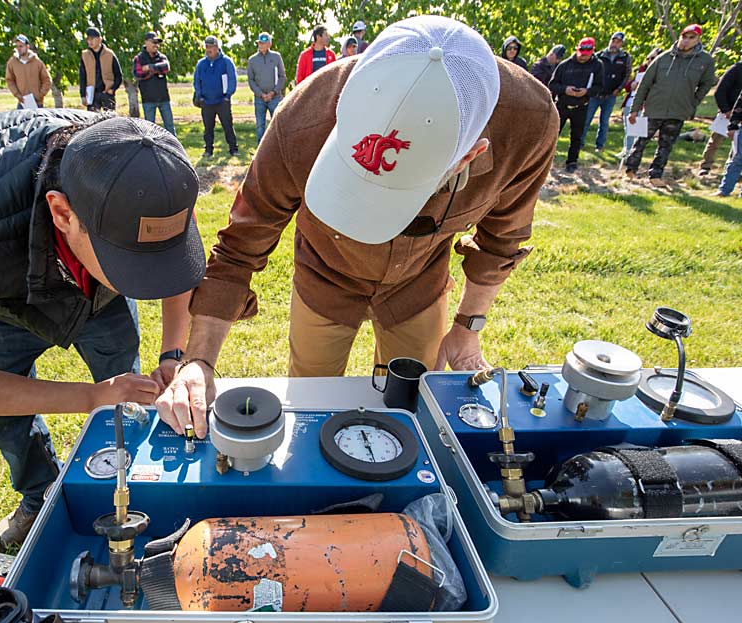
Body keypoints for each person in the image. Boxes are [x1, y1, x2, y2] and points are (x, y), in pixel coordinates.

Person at [154, 16, 557, 438]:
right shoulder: (303, 117)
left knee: (415, 410)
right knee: (310, 409)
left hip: (418, 284)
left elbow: (502, 240)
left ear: (469, 156)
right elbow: (239, 247)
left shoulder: (529, 122)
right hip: (324, 277)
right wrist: (197, 362)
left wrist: (467, 327)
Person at [0, 109, 205, 551]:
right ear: (62, 212)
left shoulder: (151, 172)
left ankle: (135, 484)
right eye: (132, 267)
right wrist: (90, 397)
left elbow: (174, 269)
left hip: (99, 300)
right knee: (6, 420)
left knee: (130, 399)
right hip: (8, 303)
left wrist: (172, 357)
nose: (148, 283)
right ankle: (40, 496)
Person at [627, 24, 716, 186]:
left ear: (698, 40)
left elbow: (707, 83)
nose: (686, 41)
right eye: (684, 36)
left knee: (666, 145)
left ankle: (655, 175)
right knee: (641, 141)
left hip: (678, 110)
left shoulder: (705, 61)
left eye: (691, 37)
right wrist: (634, 109)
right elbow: (644, 84)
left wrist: (693, 103)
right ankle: (630, 170)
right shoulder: (664, 58)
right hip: (654, 108)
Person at [549, 38, 604, 172]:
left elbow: (600, 87)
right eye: (581, 52)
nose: (583, 55)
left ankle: (572, 162)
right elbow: (552, 84)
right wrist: (565, 89)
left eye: (587, 53)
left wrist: (586, 92)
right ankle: (547, 160)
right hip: (563, 104)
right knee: (553, 135)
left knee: (577, 136)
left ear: (592, 51)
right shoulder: (564, 65)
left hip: (581, 106)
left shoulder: (597, 66)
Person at [581, 32, 632, 152]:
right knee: (586, 119)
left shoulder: (625, 57)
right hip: (595, 94)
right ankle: (580, 143)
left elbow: (627, 75)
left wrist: (619, 89)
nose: (615, 44)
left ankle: (600, 145)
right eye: (613, 40)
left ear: (621, 44)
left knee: (604, 122)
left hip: (610, 95)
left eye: (618, 42)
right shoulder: (599, 55)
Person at [193, 36, 238, 157]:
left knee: (227, 126)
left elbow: (232, 79)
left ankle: (233, 149)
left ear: (217, 47)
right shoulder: (201, 64)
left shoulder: (226, 61)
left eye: (211, 47)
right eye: (207, 47)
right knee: (208, 128)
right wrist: (199, 96)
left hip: (222, 100)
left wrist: (228, 95)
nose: (209, 49)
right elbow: (196, 81)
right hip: (206, 102)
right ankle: (208, 150)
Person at [700, 57, 741, 177]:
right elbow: (720, 91)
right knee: (715, 142)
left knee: (738, 146)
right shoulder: (737, 69)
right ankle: (705, 167)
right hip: (728, 112)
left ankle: (732, 171)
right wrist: (726, 110)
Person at [621, 47, 662, 157]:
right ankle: (626, 150)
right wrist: (631, 85)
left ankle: (632, 153)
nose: (649, 61)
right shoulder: (641, 70)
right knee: (628, 129)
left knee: (637, 131)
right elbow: (628, 86)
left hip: (643, 106)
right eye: (648, 58)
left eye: (652, 58)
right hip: (630, 102)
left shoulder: (661, 73)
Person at [246, 32, 286, 144]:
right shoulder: (252, 60)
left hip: (275, 98)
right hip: (260, 99)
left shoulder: (276, 57)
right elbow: (251, 80)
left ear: (269, 44)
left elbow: (282, 76)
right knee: (260, 126)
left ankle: (278, 147)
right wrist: (261, 94)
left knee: (277, 124)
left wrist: (273, 92)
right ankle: (261, 150)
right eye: (259, 43)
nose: (261, 45)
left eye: (263, 43)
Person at [133, 31, 175, 135]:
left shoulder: (162, 57)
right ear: (146, 42)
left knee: (170, 127)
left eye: (157, 43)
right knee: (149, 130)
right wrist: (157, 69)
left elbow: (166, 67)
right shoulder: (139, 58)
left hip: (163, 98)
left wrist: (150, 68)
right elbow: (138, 73)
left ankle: (174, 149)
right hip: (148, 99)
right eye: (153, 42)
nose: (156, 45)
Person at [713, 60, 742, 196]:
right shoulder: (738, 68)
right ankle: (724, 190)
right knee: (737, 158)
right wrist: (733, 123)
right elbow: (740, 101)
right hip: (738, 123)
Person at [80, 27, 122, 111]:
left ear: (100, 39)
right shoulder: (85, 55)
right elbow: (82, 76)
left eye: (92, 39)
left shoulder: (110, 54)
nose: (90, 41)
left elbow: (118, 75)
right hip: (92, 95)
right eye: (88, 39)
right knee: (93, 121)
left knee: (110, 121)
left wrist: (112, 89)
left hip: (107, 93)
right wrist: (83, 95)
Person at [6, 34, 51, 109]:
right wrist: (17, 95)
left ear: (27, 46)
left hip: (38, 104)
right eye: (17, 46)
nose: (19, 49)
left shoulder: (37, 62)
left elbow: (47, 80)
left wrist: (40, 95)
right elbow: (9, 80)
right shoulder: (12, 63)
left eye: (21, 46)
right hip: (22, 103)